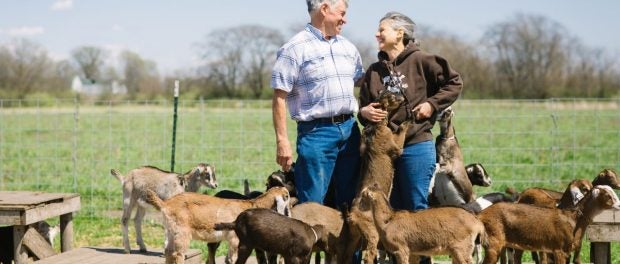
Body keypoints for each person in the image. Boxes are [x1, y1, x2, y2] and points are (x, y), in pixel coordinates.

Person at [358, 11, 463, 212]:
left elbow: (454, 83)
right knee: (390, 210)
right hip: (383, 152)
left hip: (417, 145)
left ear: (399, 33)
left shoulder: (423, 61)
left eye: (381, 30)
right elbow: (364, 108)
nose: (376, 34)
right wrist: (365, 113)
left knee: (416, 206)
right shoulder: (373, 71)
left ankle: (422, 245)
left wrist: (432, 104)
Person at [271, 0, 364, 209]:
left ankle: (347, 243)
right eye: (342, 13)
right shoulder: (294, 49)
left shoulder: (348, 48)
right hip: (316, 134)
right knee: (313, 203)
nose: (345, 19)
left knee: (351, 200)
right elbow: (279, 97)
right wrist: (282, 141)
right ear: (324, 9)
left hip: (350, 130)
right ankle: (314, 242)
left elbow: (365, 84)